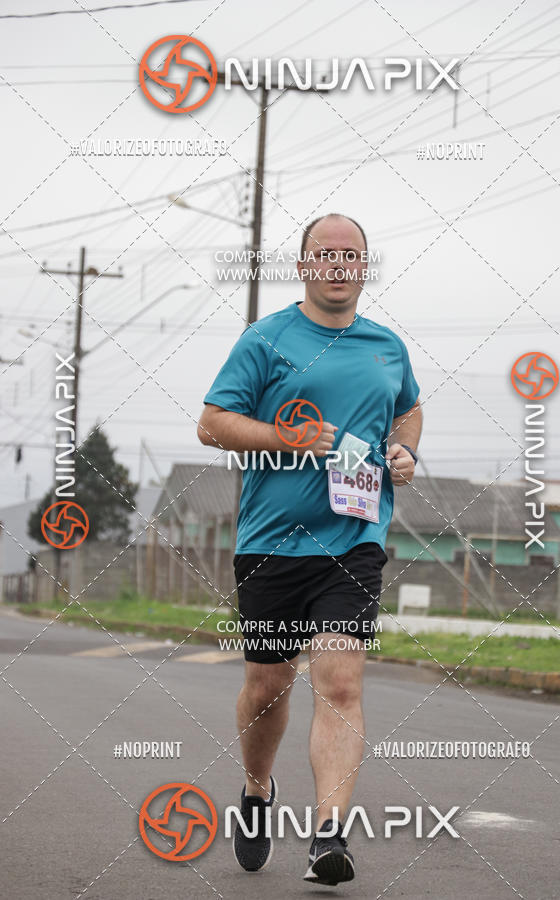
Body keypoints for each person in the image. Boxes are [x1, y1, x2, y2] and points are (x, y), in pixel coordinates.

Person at [197, 213, 422, 885]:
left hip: (354, 540)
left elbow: (407, 407)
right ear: (303, 265)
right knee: (268, 686)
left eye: (350, 254)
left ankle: (328, 833)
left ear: (363, 267)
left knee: (341, 679)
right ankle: (258, 789)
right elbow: (212, 424)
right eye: (324, 254)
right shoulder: (267, 339)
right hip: (270, 542)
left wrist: (405, 447)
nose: (337, 264)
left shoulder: (386, 346)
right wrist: (283, 439)